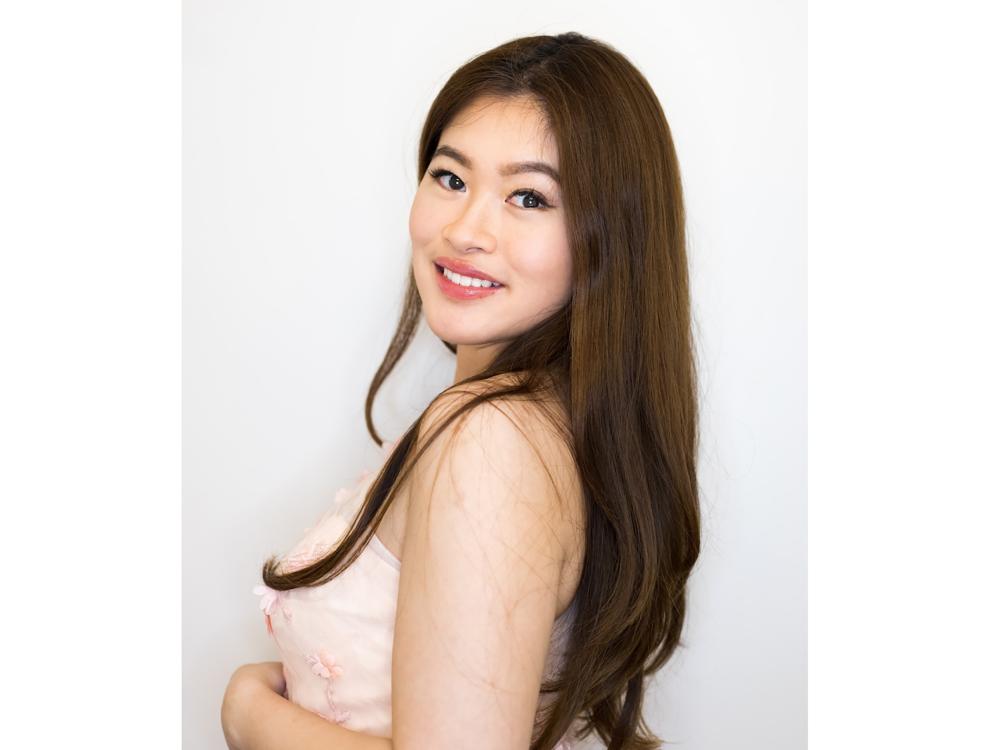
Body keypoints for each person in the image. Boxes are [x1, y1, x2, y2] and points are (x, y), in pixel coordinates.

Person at [221, 31, 701, 750]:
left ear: (611, 238)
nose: (466, 228)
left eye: (529, 196)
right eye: (450, 177)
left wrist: (250, 716)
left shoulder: (491, 438)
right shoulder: (537, 424)